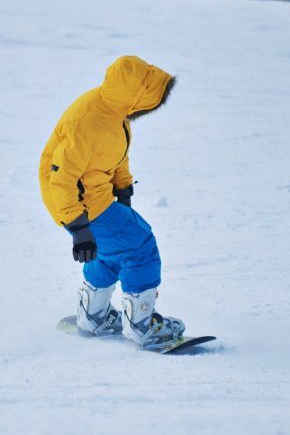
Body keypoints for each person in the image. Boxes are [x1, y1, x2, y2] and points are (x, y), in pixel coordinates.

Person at [39, 55, 184, 346]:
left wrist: (124, 188)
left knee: (108, 251)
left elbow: (114, 153)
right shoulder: (88, 121)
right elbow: (62, 176)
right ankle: (141, 325)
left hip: (93, 194)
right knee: (139, 245)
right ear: (135, 94)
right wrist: (79, 228)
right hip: (78, 201)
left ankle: (93, 316)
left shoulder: (114, 111)